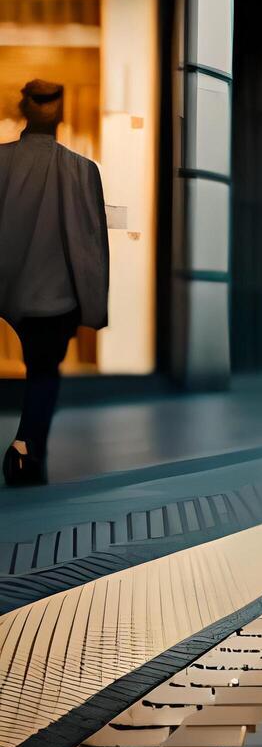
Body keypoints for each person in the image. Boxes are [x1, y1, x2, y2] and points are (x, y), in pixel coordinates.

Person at [0, 80, 109, 486]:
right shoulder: (82, 171)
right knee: (44, 374)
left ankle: (30, 452)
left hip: (9, 289)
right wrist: (92, 303)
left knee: (41, 370)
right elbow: (91, 248)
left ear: (23, 110)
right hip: (56, 299)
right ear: (60, 114)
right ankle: (29, 450)